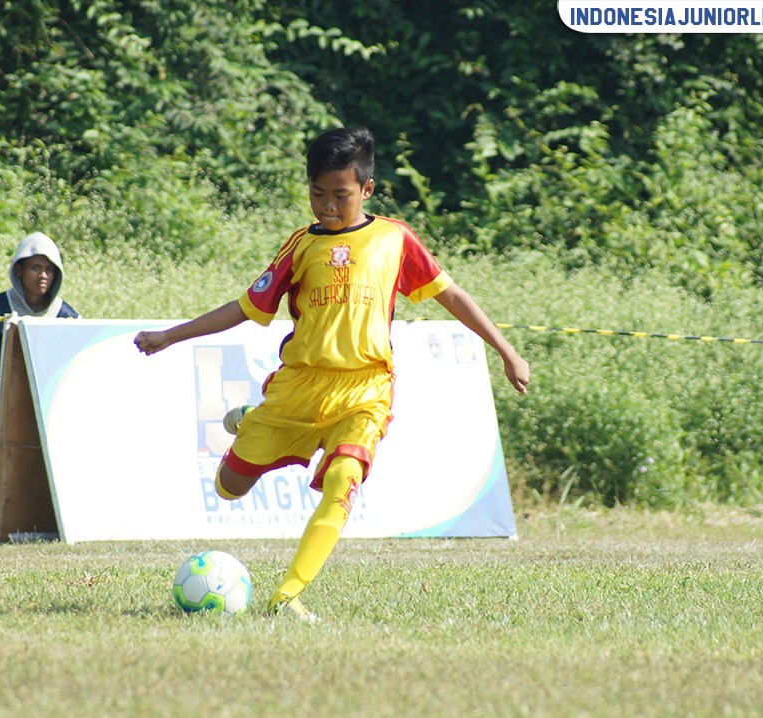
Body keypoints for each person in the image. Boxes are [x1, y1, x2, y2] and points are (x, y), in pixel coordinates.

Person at [134, 127, 529, 621]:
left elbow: (451, 295)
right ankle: (253, 417)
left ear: (366, 189)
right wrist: (170, 335)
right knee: (228, 486)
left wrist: (507, 351)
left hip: (365, 387)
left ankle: (287, 596)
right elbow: (244, 307)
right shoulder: (299, 246)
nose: (326, 206)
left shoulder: (395, 239)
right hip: (299, 386)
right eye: (317, 194)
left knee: (345, 478)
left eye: (339, 195)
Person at [0, 232, 80, 473]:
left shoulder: (68, 317)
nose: (43, 275)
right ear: (19, 270)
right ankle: (0, 510)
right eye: (36, 268)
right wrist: (10, 408)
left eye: (49, 270)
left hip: (49, 406)